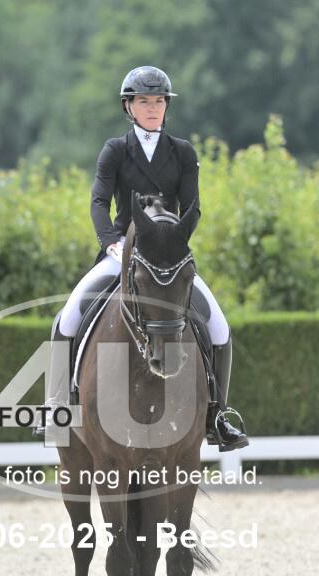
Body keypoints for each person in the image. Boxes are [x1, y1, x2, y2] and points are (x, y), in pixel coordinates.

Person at [38, 65, 248, 451]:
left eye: (158, 101)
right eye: (144, 101)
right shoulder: (116, 151)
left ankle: (217, 414)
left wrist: (174, 245)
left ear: (166, 106)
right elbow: (99, 202)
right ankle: (56, 407)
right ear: (129, 107)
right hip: (123, 252)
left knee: (218, 326)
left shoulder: (182, 152)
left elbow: (193, 208)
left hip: (169, 256)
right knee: (68, 317)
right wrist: (111, 242)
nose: (152, 108)